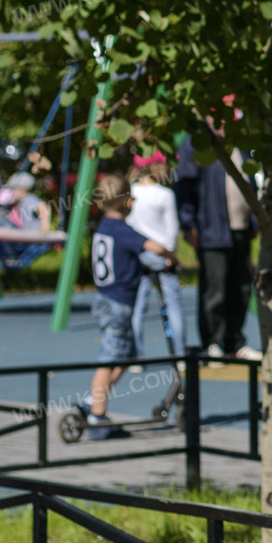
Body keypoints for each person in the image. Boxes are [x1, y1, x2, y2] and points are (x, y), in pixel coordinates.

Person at [86, 174, 173, 437]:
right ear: (127, 203)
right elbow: (153, 247)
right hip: (118, 303)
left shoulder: (104, 226)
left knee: (127, 356)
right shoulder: (122, 229)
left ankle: (94, 400)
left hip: (105, 299)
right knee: (110, 359)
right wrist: (172, 256)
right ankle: (97, 417)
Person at [176, 140, 259, 360]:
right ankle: (212, 342)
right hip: (212, 229)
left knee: (241, 287)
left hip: (241, 228)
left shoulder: (240, 141)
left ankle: (234, 342)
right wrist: (188, 223)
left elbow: (251, 182)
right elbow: (185, 185)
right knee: (214, 289)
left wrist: (254, 221)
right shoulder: (197, 143)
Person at [127, 152, 186, 364]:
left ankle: (136, 357)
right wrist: (172, 256)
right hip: (163, 255)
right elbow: (172, 229)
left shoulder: (131, 194)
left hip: (140, 256)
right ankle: (180, 355)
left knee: (137, 309)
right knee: (173, 306)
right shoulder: (165, 194)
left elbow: (129, 227)